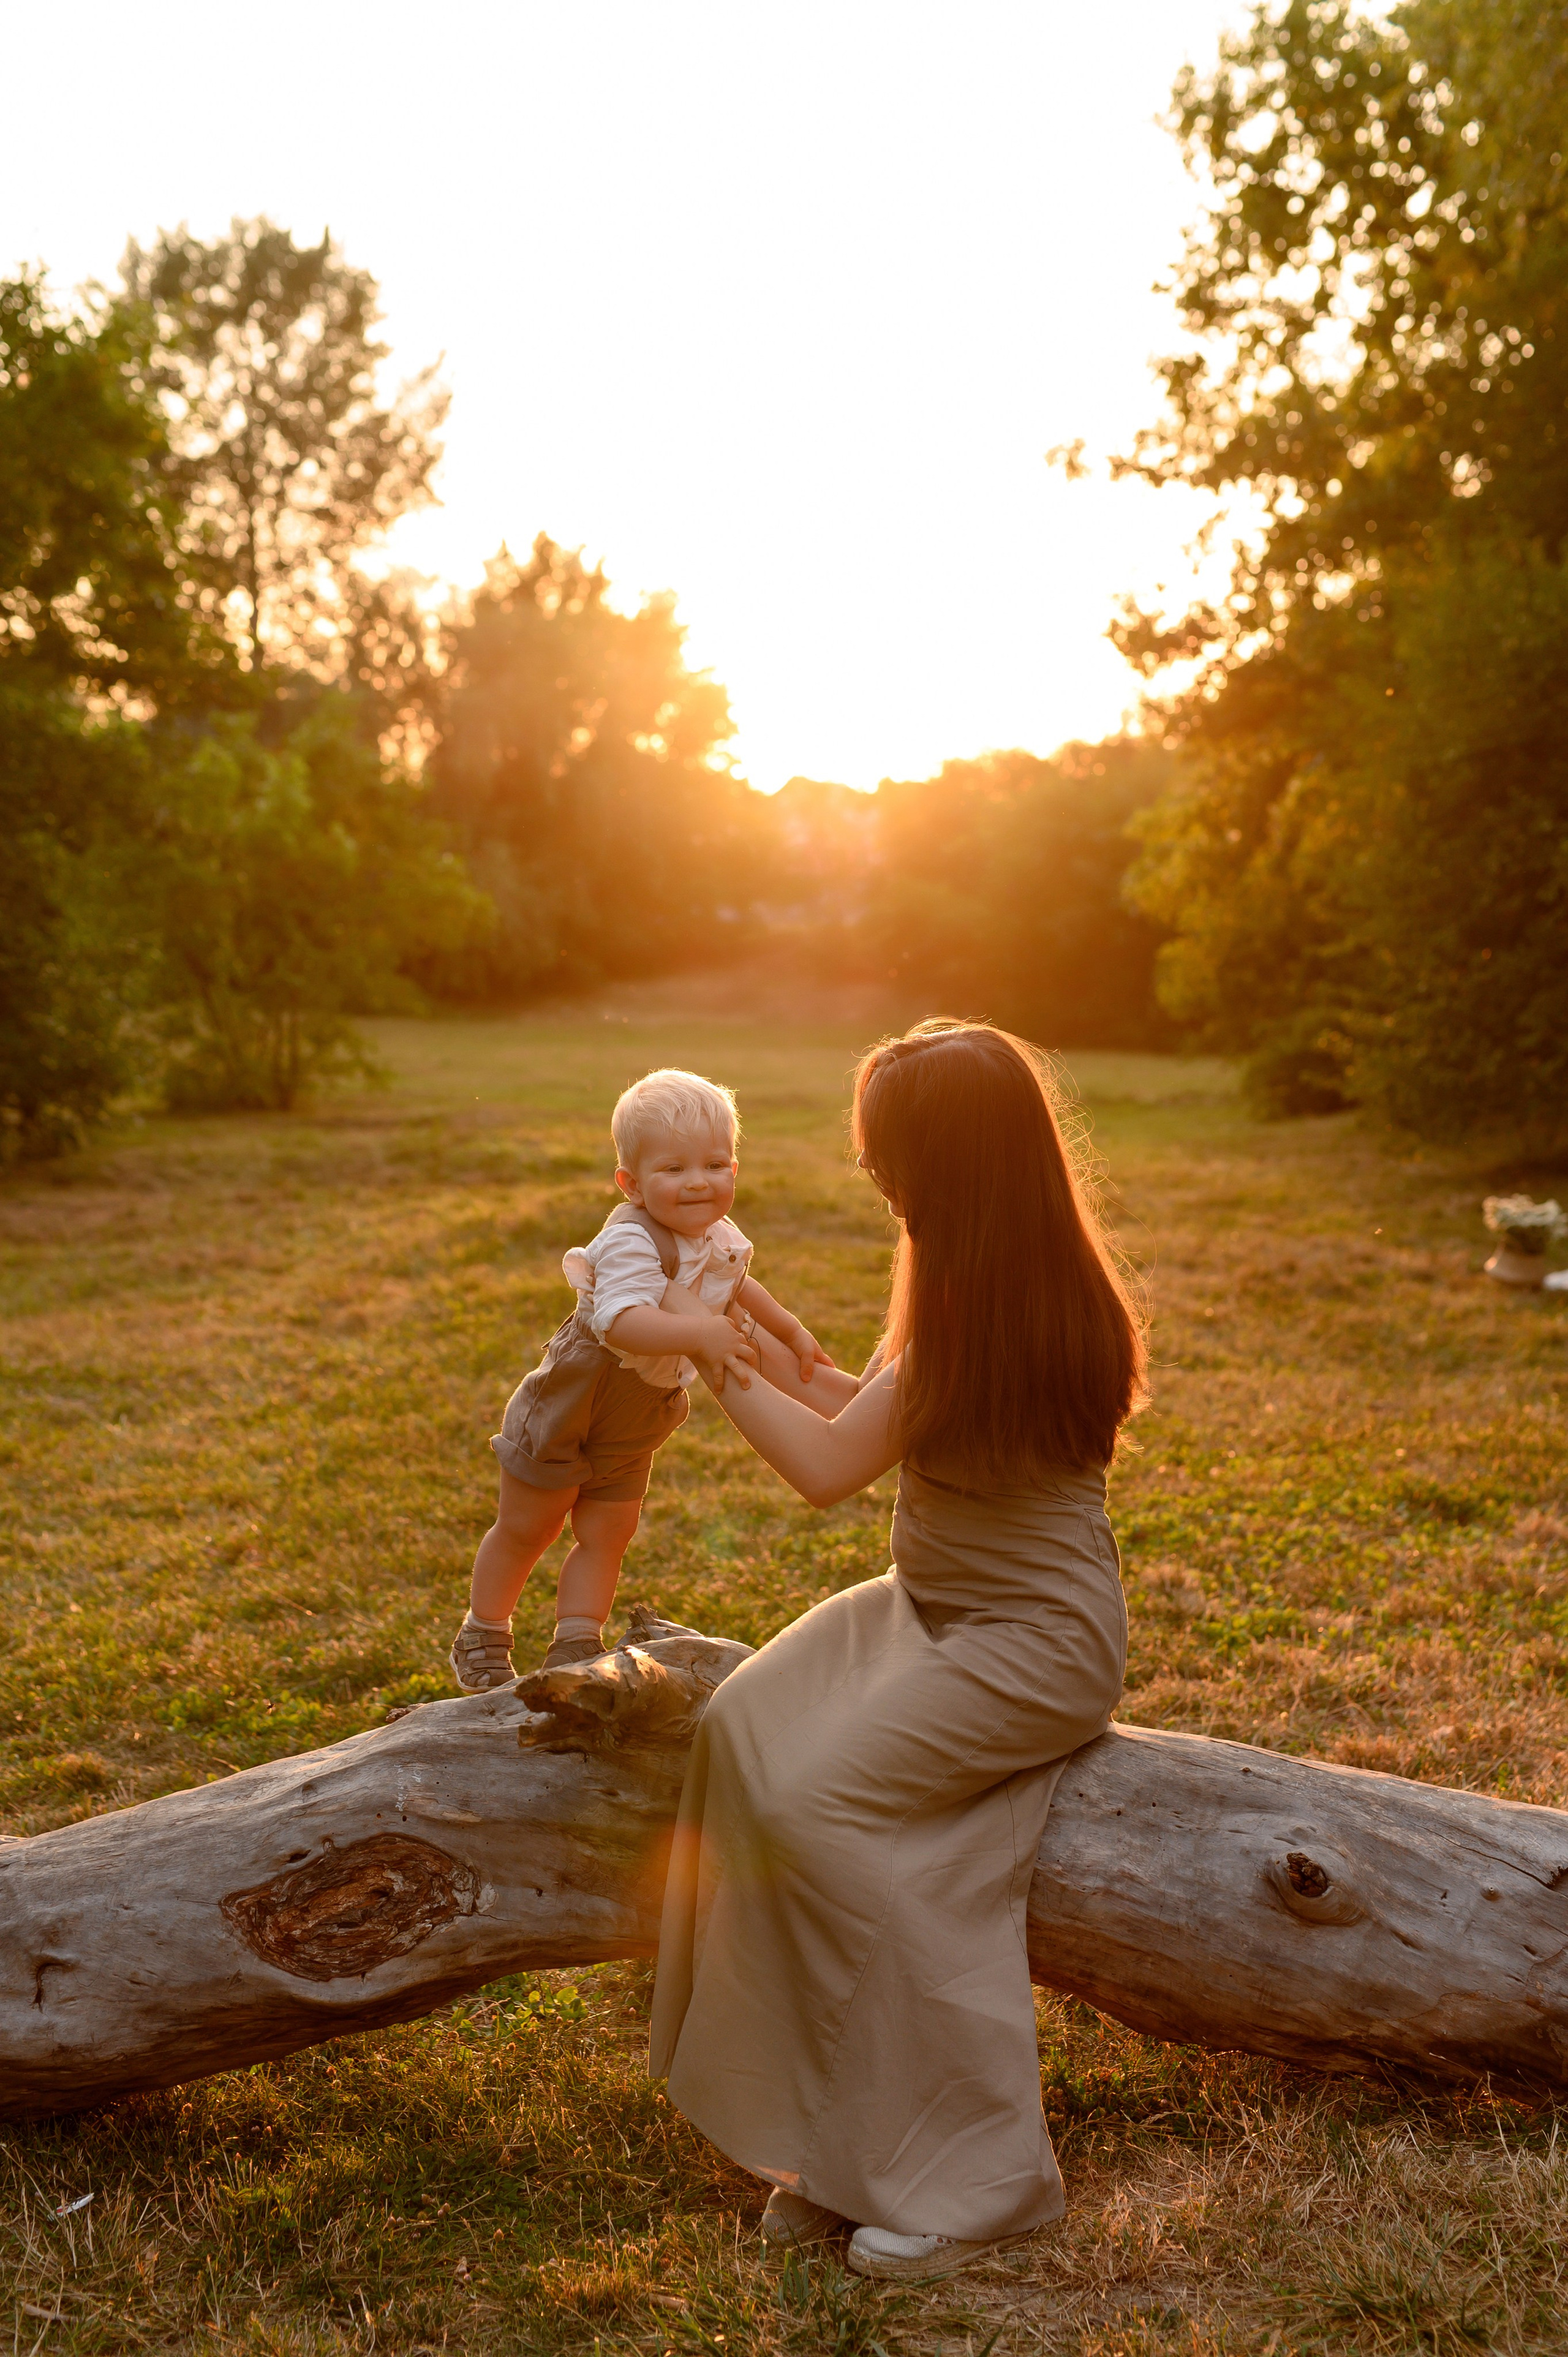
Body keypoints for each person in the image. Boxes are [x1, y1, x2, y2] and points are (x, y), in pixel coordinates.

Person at [649, 1020, 1144, 2283]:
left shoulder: (999, 1310)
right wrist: (769, 1353)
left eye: (888, 1159)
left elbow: (824, 1469)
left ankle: (967, 2180)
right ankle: (829, 2142)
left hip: (1030, 1640)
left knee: (824, 1816)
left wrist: (710, 1359)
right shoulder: (968, 1271)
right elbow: (857, 1413)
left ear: (949, 1169)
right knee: (742, 1733)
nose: (873, 1176)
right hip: (928, 1603)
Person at [450, 1068, 851, 1687]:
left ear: (735, 1170)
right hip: (572, 1399)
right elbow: (621, 1320)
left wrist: (790, 1329)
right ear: (631, 1183)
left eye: (715, 1164)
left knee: (608, 1530)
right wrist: (698, 1333)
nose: (698, 1181)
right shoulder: (630, 1240)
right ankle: (484, 1629)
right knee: (533, 1523)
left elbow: (738, 1285)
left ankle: (575, 1639)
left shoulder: (717, 1236)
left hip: (640, 1407)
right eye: (674, 1169)